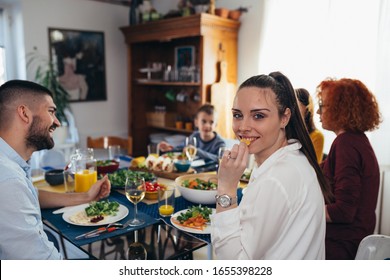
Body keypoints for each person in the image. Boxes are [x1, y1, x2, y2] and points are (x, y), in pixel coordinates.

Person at [211, 72, 333, 259]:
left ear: (284, 118)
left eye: (258, 116)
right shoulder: (288, 159)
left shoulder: (277, 179)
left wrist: (226, 187)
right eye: (237, 115)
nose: (243, 126)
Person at [0, 80, 111, 259]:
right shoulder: (9, 181)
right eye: (51, 111)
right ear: (24, 113)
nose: (57, 122)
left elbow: (30, 194)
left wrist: (86, 196)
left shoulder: (10, 164)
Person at [316, 78, 381, 260]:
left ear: (340, 108)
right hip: (352, 241)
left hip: (339, 247)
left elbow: (344, 211)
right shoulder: (357, 141)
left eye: (323, 105)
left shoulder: (346, 144)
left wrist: (305, 211)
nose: (317, 111)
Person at [159, 103, 226, 164]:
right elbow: (182, 148)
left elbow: (220, 159)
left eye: (211, 122)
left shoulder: (220, 143)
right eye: (203, 121)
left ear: (216, 124)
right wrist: (170, 148)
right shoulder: (194, 136)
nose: (207, 126)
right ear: (196, 122)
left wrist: (197, 151)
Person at [296, 88, 325, 163]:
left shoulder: (317, 136)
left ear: (307, 108)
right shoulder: (283, 134)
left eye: (296, 104)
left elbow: (313, 168)